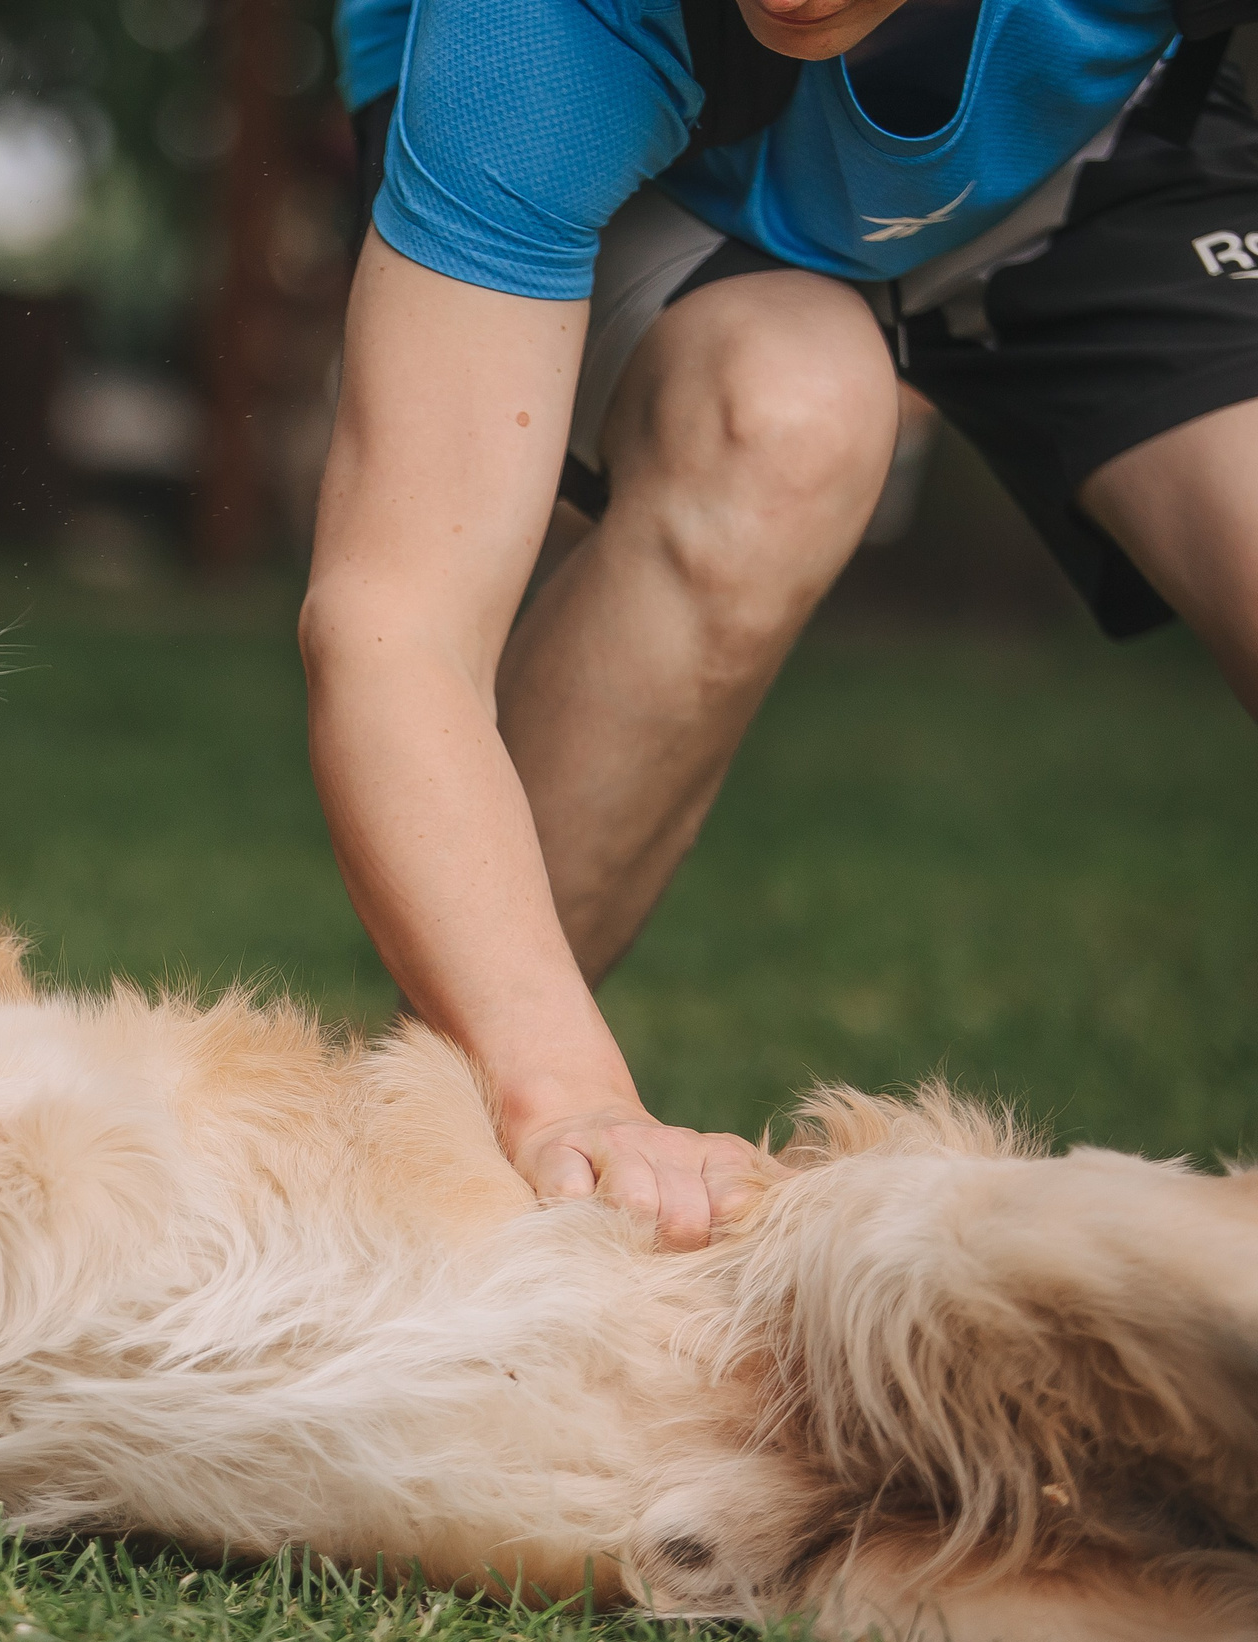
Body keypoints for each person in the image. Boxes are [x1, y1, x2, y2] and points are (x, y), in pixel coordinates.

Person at [306, 0, 1258, 1249]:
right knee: (785, 415)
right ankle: (430, 1163)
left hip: (1082, 148)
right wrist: (567, 1100)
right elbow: (395, 626)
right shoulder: (534, 35)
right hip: (670, 164)